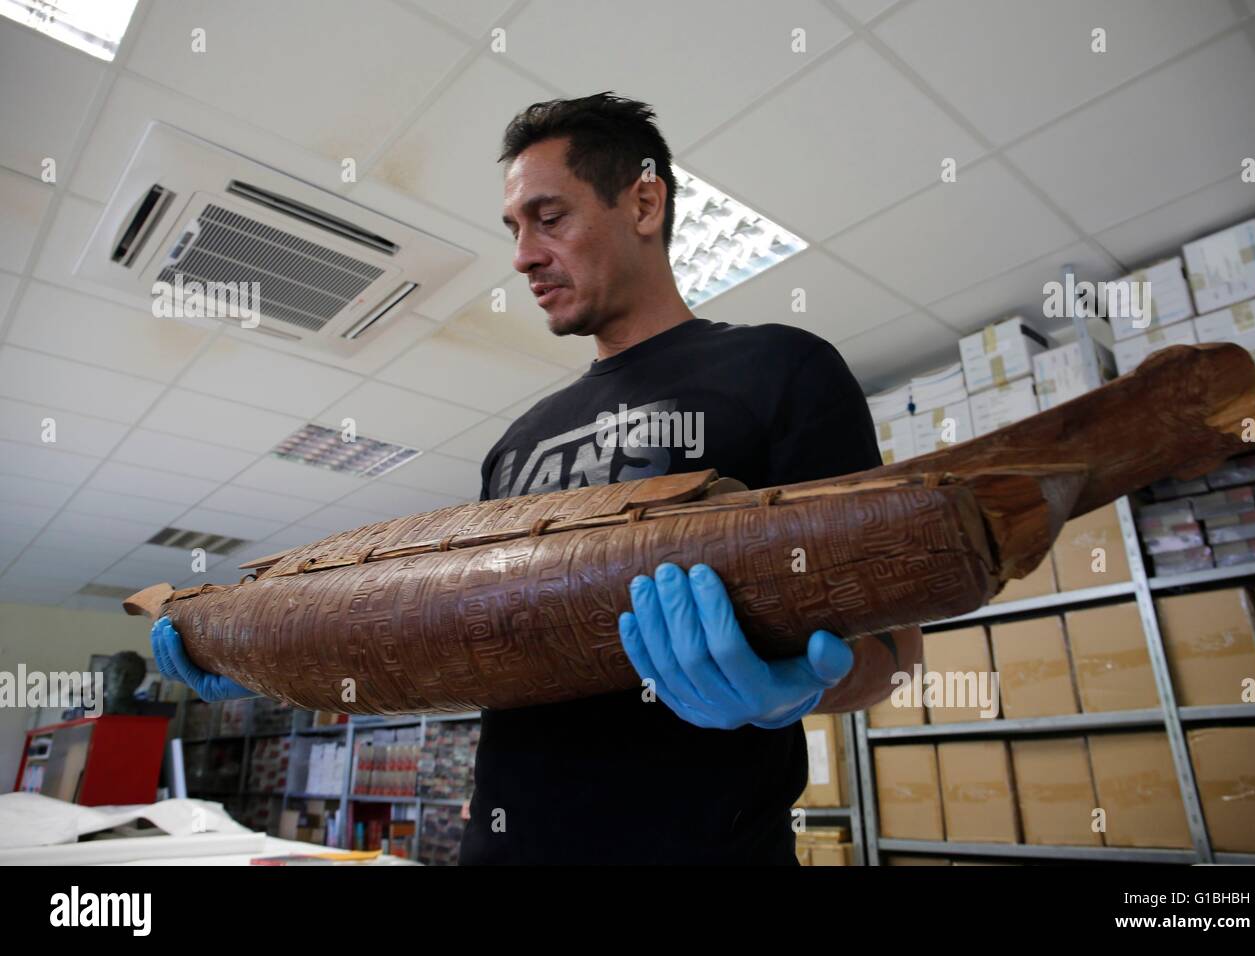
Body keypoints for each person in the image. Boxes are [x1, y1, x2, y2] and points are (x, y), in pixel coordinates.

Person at [152, 92, 922, 865]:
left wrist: (794, 689)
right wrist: (275, 663)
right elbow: (456, 643)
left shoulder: (782, 369)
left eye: (548, 217)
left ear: (644, 202)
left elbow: (895, 646)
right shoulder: (514, 445)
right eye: (514, 229)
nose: (522, 255)